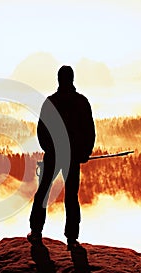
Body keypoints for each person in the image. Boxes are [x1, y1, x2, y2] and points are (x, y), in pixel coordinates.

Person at [27, 65, 95, 250]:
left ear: (59, 79)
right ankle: (72, 239)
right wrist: (84, 153)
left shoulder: (51, 102)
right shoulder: (81, 102)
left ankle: (36, 232)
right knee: (71, 196)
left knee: (43, 193)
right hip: (73, 157)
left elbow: (42, 131)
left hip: (53, 156)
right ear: (72, 79)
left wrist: (51, 150)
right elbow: (89, 131)